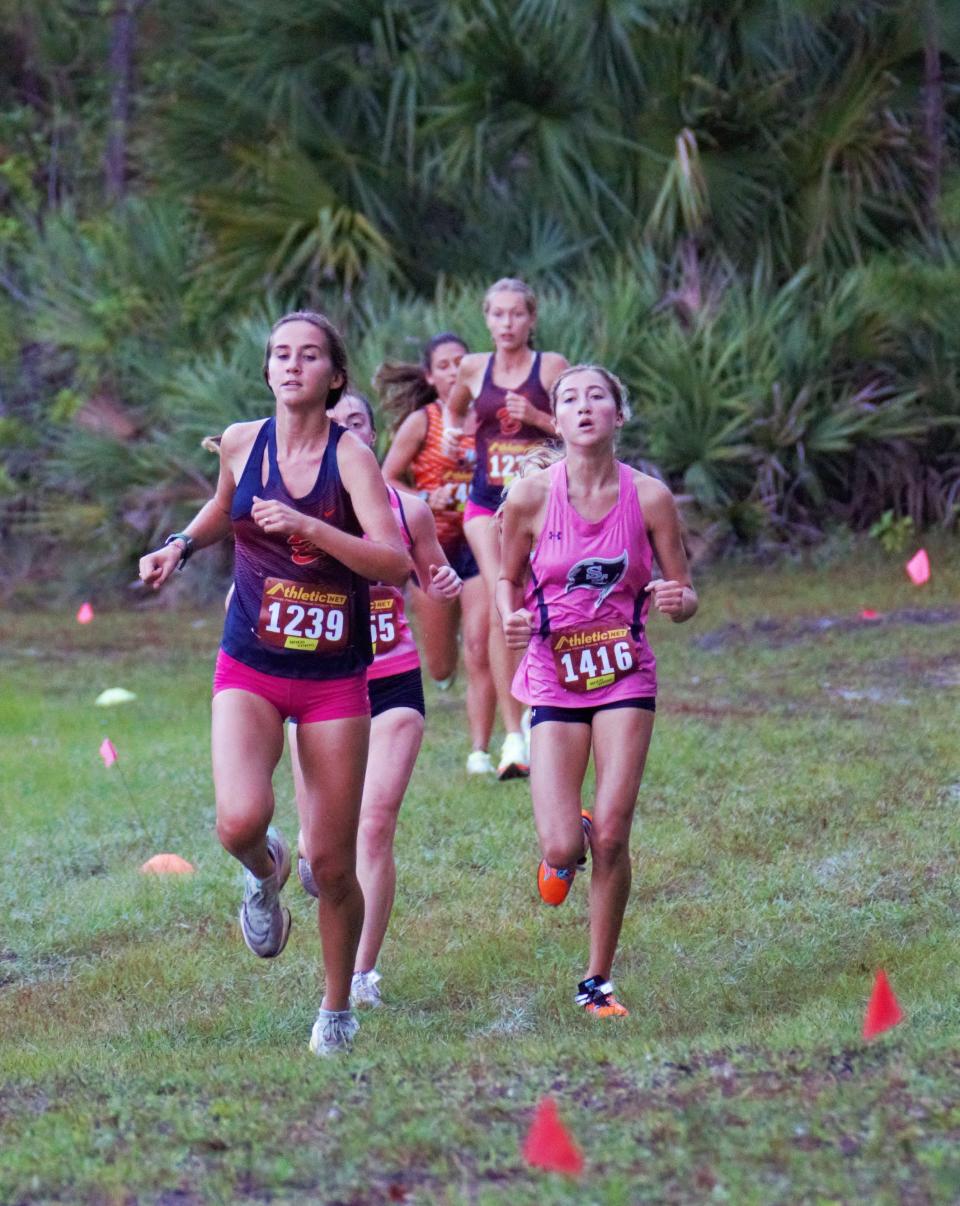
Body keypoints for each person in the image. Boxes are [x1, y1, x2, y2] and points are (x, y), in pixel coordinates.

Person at [138, 311, 411, 1057]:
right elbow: (227, 507)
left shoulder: (349, 458)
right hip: (251, 663)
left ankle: (334, 1012)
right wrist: (181, 546)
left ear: (334, 375)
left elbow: (393, 563)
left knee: (332, 863)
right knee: (238, 821)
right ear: (267, 371)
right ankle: (263, 874)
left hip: (332, 680)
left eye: (310, 355)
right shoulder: (240, 441)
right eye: (281, 355)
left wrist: (311, 528)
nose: (293, 366)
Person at [496, 364, 698, 1018]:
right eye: (570, 399)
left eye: (597, 398)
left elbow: (684, 590)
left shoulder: (651, 498)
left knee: (612, 834)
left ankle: (597, 980)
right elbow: (506, 579)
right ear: (556, 418)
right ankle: (567, 839)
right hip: (554, 672)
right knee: (563, 846)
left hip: (624, 673)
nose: (584, 408)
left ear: (618, 415)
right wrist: (511, 614)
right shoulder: (528, 497)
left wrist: (677, 600)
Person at [291, 391, 461, 1008]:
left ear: (371, 434)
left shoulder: (407, 510)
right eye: (335, 425)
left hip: (391, 680)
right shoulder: (296, 507)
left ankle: (361, 974)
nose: (347, 432)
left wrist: (441, 582)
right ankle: (306, 860)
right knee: (318, 850)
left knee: (374, 822)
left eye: (356, 422)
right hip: (317, 684)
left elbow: (434, 578)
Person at [445, 278, 569, 779]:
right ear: (487, 319)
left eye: (517, 314)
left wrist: (537, 414)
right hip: (484, 505)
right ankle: (514, 737)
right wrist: (455, 439)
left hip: (541, 510)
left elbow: (579, 428)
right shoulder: (475, 368)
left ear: (532, 319)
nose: (507, 323)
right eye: (498, 315)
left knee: (546, 607)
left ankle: (547, 716)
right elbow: (454, 409)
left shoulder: (553, 368)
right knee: (504, 606)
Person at [377, 333, 497, 775]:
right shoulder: (423, 422)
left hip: (478, 545)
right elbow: (385, 480)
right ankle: (446, 670)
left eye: (460, 362)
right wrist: (428, 496)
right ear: (430, 375)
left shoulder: (490, 421)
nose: (453, 370)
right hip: (431, 551)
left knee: (482, 645)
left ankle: (480, 751)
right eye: (443, 364)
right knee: (443, 662)